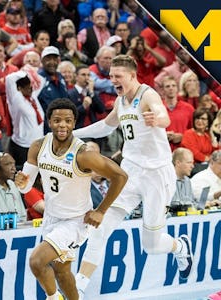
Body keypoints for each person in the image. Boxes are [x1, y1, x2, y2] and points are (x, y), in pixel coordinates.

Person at [73, 55, 194, 298]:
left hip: (157, 175)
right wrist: (74, 135)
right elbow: (106, 126)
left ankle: (180, 246)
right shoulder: (120, 100)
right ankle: (78, 287)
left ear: (131, 75)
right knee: (100, 227)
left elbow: (164, 116)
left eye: (118, 76)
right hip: (130, 172)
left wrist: (157, 119)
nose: (113, 80)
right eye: (110, 76)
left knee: (151, 244)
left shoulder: (147, 95)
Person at [15, 98, 128, 300]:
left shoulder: (84, 154)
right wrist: (21, 182)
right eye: (57, 120)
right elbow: (26, 187)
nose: (62, 125)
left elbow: (120, 176)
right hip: (52, 218)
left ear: (74, 123)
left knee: (37, 261)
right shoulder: (38, 146)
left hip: (75, 222)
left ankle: (53, 298)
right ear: (49, 121)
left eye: (68, 120)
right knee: (62, 272)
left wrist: (101, 211)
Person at [170, 147, 196, 213]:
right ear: (178, 163)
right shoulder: (166, 180)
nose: (192, 166)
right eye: (189, 162)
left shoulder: (187, 181)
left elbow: (191, 203)